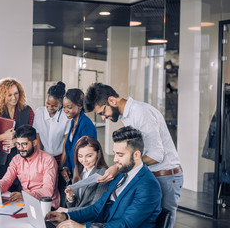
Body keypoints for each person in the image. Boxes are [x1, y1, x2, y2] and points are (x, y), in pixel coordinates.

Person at [84, 83, 183, 228]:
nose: (104, 117)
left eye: (102, 112)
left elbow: (156, 155)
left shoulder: (140, 113)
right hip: (152, 174)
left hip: (166, 176)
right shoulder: (128, 116)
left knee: (162, 224)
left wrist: (118, 167)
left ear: (111, 101)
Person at [45, 126, 162, 228]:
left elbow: (126, 224)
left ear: (136, 154)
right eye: (115, 153)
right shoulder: (120, 175)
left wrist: (83, 227)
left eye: (120, 155)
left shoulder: (148, 185)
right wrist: (66, 216)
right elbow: (97, 208)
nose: (115, 159)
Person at [0, 124, 60, 209]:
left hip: (46, 205)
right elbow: (6, 180)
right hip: (26, 203)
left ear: (34, 142)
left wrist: (25, 196)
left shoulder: (48, 160)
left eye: (24, 144)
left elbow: (47, 190)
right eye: (18, 144)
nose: (20, 148)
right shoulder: (16, 159)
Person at [0, 78, 34, 191]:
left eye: (16, 93)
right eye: (9, 95)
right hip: (0, 161)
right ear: (2, 96)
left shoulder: (27, 111)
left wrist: (16, 141)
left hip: (22, 158)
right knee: (1, 191)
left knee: (19, 192)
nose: (14, 98)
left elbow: (32, 135)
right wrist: (4, 137)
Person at [64, 136, 109, 212]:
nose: (84, 160)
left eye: (89, 156)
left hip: (90, 219)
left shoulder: (103, 173)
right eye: (80, 156)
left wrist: (67, 211)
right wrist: (71, 198)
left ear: (98, 153)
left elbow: (96, 208)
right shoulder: (78, 170)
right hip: (76, 216)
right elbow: (74, 205)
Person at [61, 88, 97, 183]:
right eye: (64, 107)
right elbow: (70, 148)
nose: (65, 110)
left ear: (80, 106)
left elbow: (89, 153)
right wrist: (67, 166)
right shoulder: (73, 122)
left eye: (69, 107)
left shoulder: (86, 124)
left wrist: (78, 172)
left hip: (83, 173)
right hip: (74, 171)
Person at [33, 81, 70, 164]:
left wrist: (62, 165)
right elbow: (38, 137)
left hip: (61, 157)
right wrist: (40, 158)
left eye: (54, 106)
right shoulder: (39, 112)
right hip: (44, 156)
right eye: (48, 103)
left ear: (62, 103)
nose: (50, 107)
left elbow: (66, 144)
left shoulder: (66, 116)